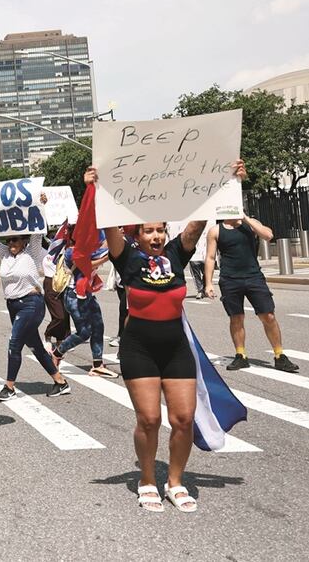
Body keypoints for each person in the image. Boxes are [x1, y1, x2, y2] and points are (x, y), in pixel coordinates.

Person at [87, 163, 245, 513]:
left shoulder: (176, 253)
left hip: (176, 349)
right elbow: (108, 222)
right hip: (139, 349)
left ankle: (175, 481)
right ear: (138, 236)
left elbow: (199, 221)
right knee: (149, 420)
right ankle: (147, 479)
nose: (156, 236)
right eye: (149, 231)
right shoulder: (126, 258)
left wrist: (226, 181)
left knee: (184, 419)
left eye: (160, 230)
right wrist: (98, 187)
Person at [204, 216, 299, 372]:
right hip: (229, 279)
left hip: (254, 276)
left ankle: (279, 355)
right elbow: (210, 257)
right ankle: (241, 355)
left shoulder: (251, 224)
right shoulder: (216, 230)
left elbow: (268, 236)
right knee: (236, 317)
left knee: (268, 315)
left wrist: (246, 218)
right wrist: (208, 283)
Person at [0, 233, 71, 401]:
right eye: (8, 240)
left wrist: (41, 207)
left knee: (14, 342)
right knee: (35, 347)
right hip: (13, 306)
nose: (11, 243)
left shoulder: (32, 252)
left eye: (15, 239)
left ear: (24, 240)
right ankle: (60, 382)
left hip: (31, 304)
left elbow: (37, 233)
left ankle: (9, 387)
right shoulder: (5, 254)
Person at [51, 227, 118, 378]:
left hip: (86, 294)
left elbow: (103, 247)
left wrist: (113, 231)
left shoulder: (89, 249)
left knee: (98, 326)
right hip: (74, 297)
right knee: (84, 332)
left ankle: (97, 364)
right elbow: (89, 264)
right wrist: (110, 255)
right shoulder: (71, 251)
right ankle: (57, 352)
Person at [41, 232, 71, 352]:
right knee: (59, 316)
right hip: (50, 283)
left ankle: (61, 339)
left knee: (65, 314)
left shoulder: (66, 251)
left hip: (64, 283)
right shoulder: (44, 253)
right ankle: (47, 334)